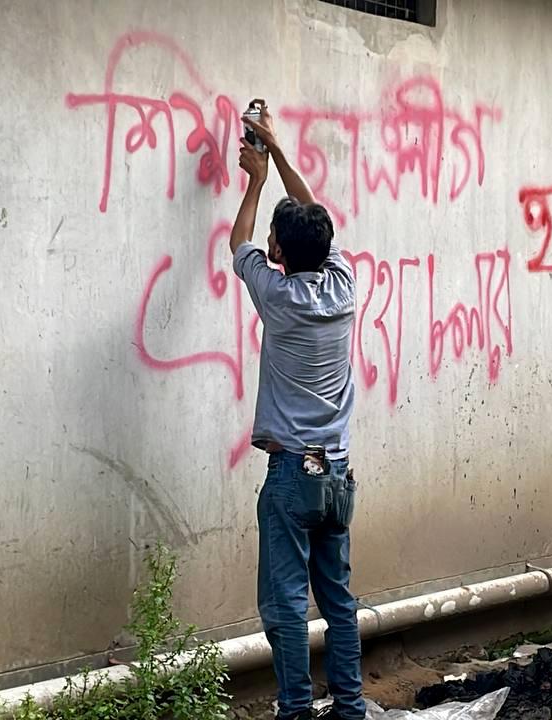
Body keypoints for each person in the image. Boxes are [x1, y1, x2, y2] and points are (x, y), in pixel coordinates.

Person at [234, 101, 365, 720]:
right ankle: (350, 707)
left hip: (292, 475)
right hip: (335, 470)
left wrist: (254, 182)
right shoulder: (343, 288)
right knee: (336, 596)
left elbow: (237, 243)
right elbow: (319, 221)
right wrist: (280, 152)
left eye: (275, 240)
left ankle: (294, 709)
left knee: (286, 601)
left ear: (280, 251)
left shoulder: (277, 295)